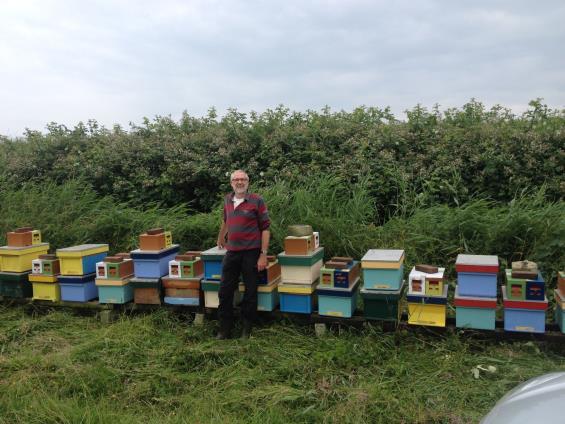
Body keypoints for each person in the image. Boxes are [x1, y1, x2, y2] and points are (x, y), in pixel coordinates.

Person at [216, 170, 270, 339]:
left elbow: (266, 228)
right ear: (231, 183)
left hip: (251, 253)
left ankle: (246, 328)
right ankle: (225, 328)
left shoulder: (257, 200)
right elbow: (226, 220)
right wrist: (220, 238)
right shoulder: (227, 199)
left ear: (248, 182)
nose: (239, 182)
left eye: (242, 179)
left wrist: (263, 254)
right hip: (232, 252)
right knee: (224, 290)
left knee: (250, 291)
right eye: (236, 179)